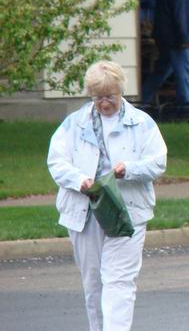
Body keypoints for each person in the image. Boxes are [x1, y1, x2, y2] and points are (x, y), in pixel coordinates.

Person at [47, 61, 167, 331]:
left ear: (121, 91)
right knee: (93, 284)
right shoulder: (74, 124)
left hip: (127, 212)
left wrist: (130, 170)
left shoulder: (141, 123)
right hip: (85, 212)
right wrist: (79, 180)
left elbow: (158, 162)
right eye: (98, 97)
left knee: (119, 281)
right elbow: (56, 163)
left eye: (110, 97)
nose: (104, 103)